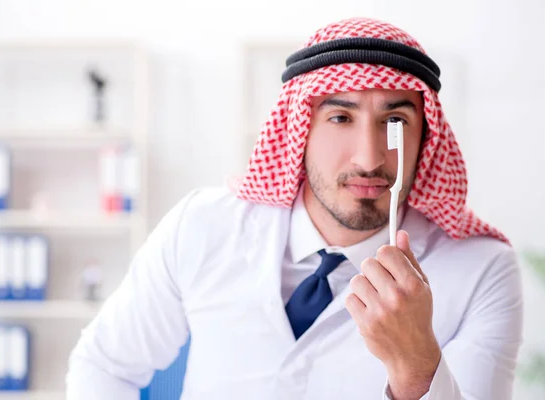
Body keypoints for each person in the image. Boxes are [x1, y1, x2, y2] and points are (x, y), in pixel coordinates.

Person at [66, 17, 523, 400]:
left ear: (425, 140)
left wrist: (417, 369)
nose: (368, 158)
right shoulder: (203, 225)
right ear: (298, 129)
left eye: (395, 122)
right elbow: (103, 367)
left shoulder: (482, 269)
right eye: (340, 117)